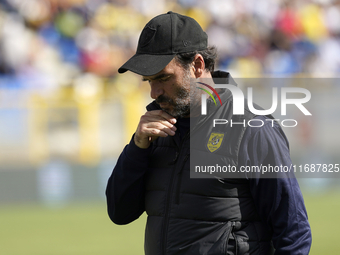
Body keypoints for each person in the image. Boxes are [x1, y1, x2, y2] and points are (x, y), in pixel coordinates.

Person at [106, 11, 312, 255]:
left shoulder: (252, 127)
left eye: (163, 77)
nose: (154, 92)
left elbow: (294, 232)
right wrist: (136, 148)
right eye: (148, 81)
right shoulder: (153, 132)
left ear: (197, 65)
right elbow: (120, 213)